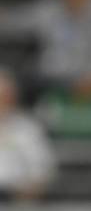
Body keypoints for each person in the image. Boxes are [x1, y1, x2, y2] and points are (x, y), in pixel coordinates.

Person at [0, 67, 55, 200]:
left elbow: (43, 169)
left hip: (15, 200)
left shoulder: (28, 129)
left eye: (4, 96)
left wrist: (27, 192)